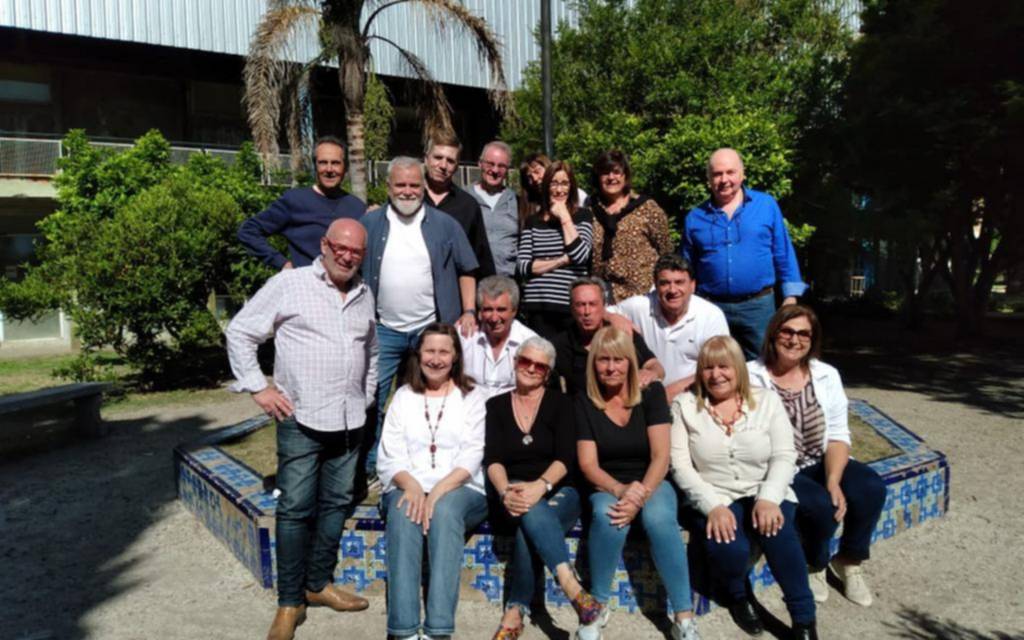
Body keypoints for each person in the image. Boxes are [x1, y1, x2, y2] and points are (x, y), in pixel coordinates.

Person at [226, 218, 375, 640]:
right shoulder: (289, 284)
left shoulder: (364, 293)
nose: (347, 256)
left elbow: (371, 347)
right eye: (341, 247)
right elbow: (241, 331)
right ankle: (290, 602)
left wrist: (365, 394)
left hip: (349, 420)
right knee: (294, 509)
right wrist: (259, 388)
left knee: (336, 503)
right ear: (324, 245)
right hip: (301, 418)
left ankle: (318, 584)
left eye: (356, 251)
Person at [670, 335, 817, 639]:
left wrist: (769, 498)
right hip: (714, 492)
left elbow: (784, 454)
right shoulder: (685, 406)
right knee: (728, 548)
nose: (716, 375)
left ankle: (804, 619)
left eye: (724, 366)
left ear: (738, 368)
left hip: (763, 487)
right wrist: (713, 506)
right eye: (708, 367)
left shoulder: (766, 401)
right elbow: (680, 465)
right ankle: (737, 594)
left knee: (778, 533)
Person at [748, 305, 886, 607]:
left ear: (812, 340)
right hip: (780, 467)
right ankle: (816, 563)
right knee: (821, 506)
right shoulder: (751, 375)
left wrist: (834, 480)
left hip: (819, 458)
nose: (794, 340)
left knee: (870, 487)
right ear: (773, 334)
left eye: (803, 334)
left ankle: (849, 560)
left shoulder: (826, 375)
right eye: (787, 331)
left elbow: (838, 433)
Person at [575, 327, 700, 640]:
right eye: (603, 360)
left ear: (631, 362)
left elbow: (661, 456)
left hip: (651, 479)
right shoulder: (584, 400)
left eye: (618, 359)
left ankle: (684, 616)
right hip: (607, 482)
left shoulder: (651, 393)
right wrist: (620, 491)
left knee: (659, 519)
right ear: (593, 363)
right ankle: (597, 605)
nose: (611, 367)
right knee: (608, 515)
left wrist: (638, 496)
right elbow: (588, 464)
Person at [361, 157, 479, 476]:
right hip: (384, 328)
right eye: (401, 184)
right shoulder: (369, 224)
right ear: (388, 186)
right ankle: (372, 464)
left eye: (414, 185)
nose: (408, 191)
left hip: (430, 330)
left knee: (424, 399)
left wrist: (469, 310)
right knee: (373, 397)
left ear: (423, 186)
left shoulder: (445, 224)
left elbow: (467, 269)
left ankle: (422, 462)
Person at [483, 336, 603, 639]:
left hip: (560, 489)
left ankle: (515, 611)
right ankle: (570, 585)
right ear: (515, 363)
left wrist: (541, 484)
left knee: (531, 516)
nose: (531, 369)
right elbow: (493, 459)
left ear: (548, 373)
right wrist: (504, 490)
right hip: (512, 491)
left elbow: (566, 457)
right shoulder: (496, 406)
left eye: (540, 366)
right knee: (529, 517)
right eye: (526, 361)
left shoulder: (562, 404)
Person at [375, 323, 488, 640]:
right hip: (407, 483)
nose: (436, 359)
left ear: (455, 356)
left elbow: (472, 454)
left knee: (445, 511)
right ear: (418, 354)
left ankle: (438, 629)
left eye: (443, 352)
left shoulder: (472, 396)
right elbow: (389, 454)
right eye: (429, 351)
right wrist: (411, 486)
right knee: (403, 512)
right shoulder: (404, 396)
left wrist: (437, 491)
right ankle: (404, 629)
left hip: (461, 486)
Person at [681, 148, 808, 360]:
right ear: (709, 179)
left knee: (765, 365)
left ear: (742, 174)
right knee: (715, 366)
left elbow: (783, 252)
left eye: (730, 172)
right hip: (713, 307)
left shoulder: (766, 205)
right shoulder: (695, 218)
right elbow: (687, 268)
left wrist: (790, 296)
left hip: (758, 307)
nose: (724, 179)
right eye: (717, 174)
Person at [612, 255, 729, 402]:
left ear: (692, 285)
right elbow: (597, 312)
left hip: (693, 398)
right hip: (644, 398)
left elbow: (722, 368)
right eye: (665, 283)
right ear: (655, 285)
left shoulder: (711, 315)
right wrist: (612, 317)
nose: (673, 290)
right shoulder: (639, 306)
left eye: (679, 282)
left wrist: (668, 393)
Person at [238, 136, 366, 269]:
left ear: (345, 167)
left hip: (347, 282)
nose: (329, 169)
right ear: (315, 166)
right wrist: (282, 263)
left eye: (335, 163)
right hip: (305, 280)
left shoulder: (357, 207)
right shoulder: (295, 200)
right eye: (323, 162)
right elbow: (248, 231)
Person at [516, 161, 594, 340]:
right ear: (546, 187)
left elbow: (581, 256)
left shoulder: (583, 216)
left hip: (570, 305)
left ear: (572, 186)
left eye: (565, 183)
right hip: (537, 306)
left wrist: (564, 216)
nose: (559, 190)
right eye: (554, 183)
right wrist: (562, 260)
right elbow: (523, 267)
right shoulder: (533, 221)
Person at [553, 277, 663, 396]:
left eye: (593, 304)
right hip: (582, 405)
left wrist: (650, 373)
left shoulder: (621, 333)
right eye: (580, 305)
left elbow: (655, 366)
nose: (587, 311)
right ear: (571, 308)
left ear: (604, 306)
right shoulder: (560, 345)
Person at [588, 150, 674, 302]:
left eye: (616, 172)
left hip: (642, 296)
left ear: (625, 176)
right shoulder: (590, 210)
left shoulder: (647, 208)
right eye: (605, 173)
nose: (611, 177)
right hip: (603, 296)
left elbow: (666, 250)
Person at [424, 131, 497, 277]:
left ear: (457, 166)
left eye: (450, 161)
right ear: (426, 159)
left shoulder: (468, 206)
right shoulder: (409, 199)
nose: (443, 165)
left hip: (455, 287)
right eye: (438, 157)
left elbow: (481, 260)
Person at [460, 275, 538, 399]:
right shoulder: (465, 335)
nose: (494, 318)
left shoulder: (530, 342)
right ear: (480, 311)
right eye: (488, 310)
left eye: (501, 310)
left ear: (514, 311)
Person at [471, 141, 520, 277]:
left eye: (501, 166)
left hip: (507, 281)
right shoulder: (465, 198)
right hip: (473, 281)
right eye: (490, 164)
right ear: (480, 163)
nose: (495, 170)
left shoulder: (516, 201)